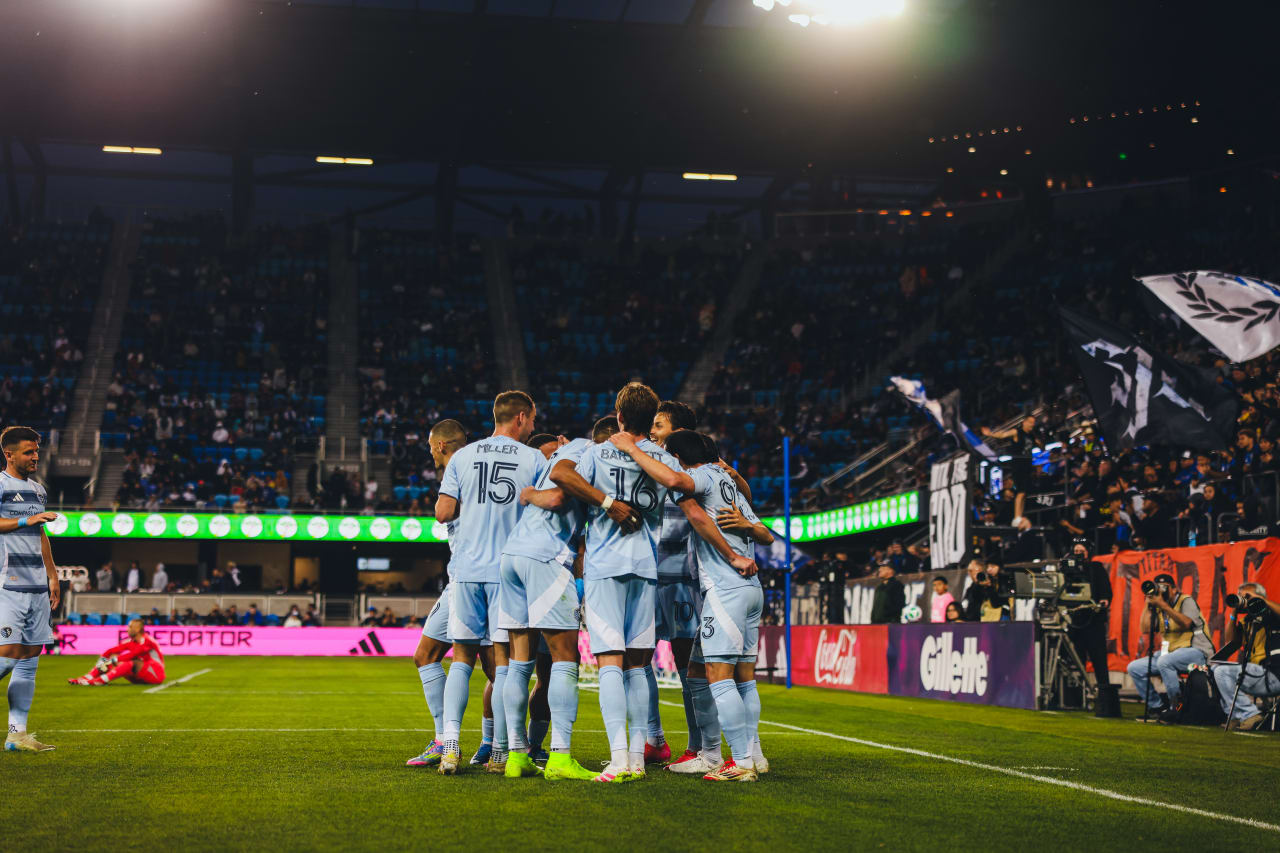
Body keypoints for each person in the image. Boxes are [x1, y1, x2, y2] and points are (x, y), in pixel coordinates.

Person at [611, 427, 768, 781]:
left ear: (679, 456)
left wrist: (634, 451)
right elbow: (767, 534)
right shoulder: (730, 483)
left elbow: (684, 496)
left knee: (718, 675)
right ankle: (715, 754)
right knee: (702, 670)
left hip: (727, 588)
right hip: (749, 589)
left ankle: (742, 762)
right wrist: (745, 529)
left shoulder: (698, 478)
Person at [549, 382, 671, 782]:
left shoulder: (598, 452)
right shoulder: (661, 457)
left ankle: (619, 757)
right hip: (646, 566)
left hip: (604, 567)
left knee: (610, 664)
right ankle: (636, 758)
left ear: (618, 417)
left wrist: (604, 501)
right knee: (638, 665)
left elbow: (560, 473)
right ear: (650, 420)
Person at [496, 416, 622, 781]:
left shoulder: (567, 449)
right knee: (566, 658)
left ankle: (517, 756)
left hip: (513, 557)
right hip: (546, 558)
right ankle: (561, 757)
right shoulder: (588, 451)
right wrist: (608, 503)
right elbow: (558, 489)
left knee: (520, 662)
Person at [435, 391, 547, 776]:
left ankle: (450, 746)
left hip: (465, 569)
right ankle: (500, 752)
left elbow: (443, 512)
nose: (533, 426)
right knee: (504, 665)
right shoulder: (534, 458)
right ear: (519, 418)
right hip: (508, 573)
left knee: (461, 660)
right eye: (531, 419)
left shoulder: (463, 456)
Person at [0, 426, 61, 752]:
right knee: (8, 654)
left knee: (30, 656)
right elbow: (27, 524)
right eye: (28, 452)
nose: (35, 456)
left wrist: (52, 575)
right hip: (7, 582)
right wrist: (27, 520)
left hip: (36, 584)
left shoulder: (37, 490)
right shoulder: (1, 484)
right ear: (9, 454)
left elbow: (41, 535)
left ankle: (17, 734)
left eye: (36, 451)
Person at [1125, 572, 1214, 719]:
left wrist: (1163, 605)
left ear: (1174, 589)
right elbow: (1145, 629)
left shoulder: (1186, 601)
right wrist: (1148, 606)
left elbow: (1186, 622)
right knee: (1134, 668)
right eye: (1158, 588)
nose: (1162, 591)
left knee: (1164, 662)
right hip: (1170, 653)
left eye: (1165, 588)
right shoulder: (1159, 606)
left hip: (1197, 651)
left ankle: (1176, 706)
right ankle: (1158, 706)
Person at [1212, 582, 1280, 731]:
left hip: (1274, 674)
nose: (1245, 600)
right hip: (1258, 674)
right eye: (1242, 597)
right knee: (1215, 669)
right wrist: (1234, 613)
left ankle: (1250, 714)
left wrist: (1260, 599)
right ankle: (1236, 716)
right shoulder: (1248, 621)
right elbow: (1231, 642)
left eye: (1248, 597)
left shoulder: (1273, 616)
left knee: (1222, 672)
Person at [1063, 540, 1115, 715]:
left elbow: (1106, 590)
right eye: (1076, 551)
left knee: (1100, 661)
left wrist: (1104, 600)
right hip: (1075, 622)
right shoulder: (1067, 569)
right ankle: (1077, 698)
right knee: (1076, 661)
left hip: (1094, 621)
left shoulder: (1096, 568)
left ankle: (1105, 700)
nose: (1078, 554)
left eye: (1081, 551)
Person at [67, 618, 165, 686]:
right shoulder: (130, 642)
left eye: (130, 627)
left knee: (128, 661)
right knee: (114, 657)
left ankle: (100, 681)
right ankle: (88, 676)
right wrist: (101, 663)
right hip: (140, 675)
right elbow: (110, 651)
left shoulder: (147, 641)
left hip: (156, 673)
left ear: (138, 629)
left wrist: (111, 661)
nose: (128, 629)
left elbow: (133, 655)